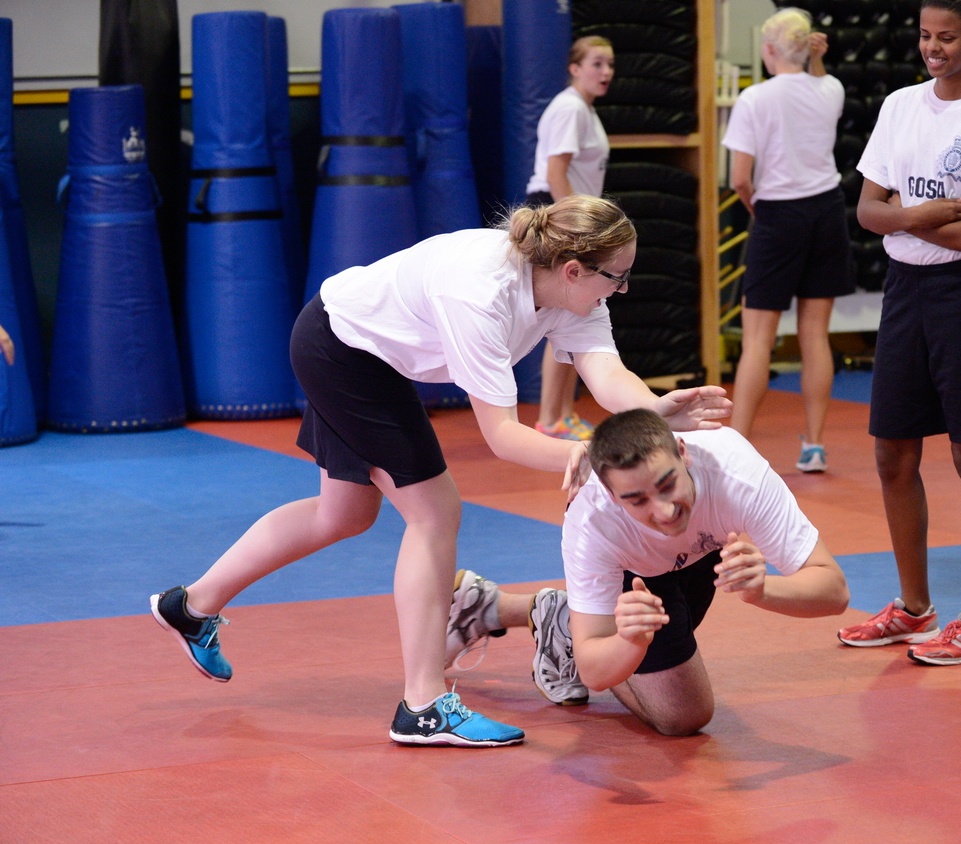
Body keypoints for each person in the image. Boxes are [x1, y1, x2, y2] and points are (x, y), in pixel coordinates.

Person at [148, 195, 732, 747]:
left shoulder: (572, 291)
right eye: (617, 277)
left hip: (358, 346)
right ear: (574, 269)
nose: (622, 289)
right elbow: (502, 435)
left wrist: (653, 407)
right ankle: (422, 705)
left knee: (343, 513)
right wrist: (595, 462)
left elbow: (606, 375)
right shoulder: (481, 295)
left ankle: (191, 605)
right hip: (345, 351)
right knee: (435, 513)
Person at [442, 409, 850, 734]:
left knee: (668, 684)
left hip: (702, 550)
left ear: (683, 451)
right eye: (637, 500)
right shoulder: (592, 521)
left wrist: (764, 591)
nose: (665, 510)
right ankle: (566, 620)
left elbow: (834, 591)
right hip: (634, 574)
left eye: (668, 484)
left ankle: (534, 612)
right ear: (610, 494)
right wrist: (629, 642)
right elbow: (594, 672)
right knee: (683, 717)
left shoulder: (737, 472)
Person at [836, 0, 961, 665]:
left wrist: (900, 215)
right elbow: (866, 210)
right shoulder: (899, 107)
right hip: (905, 291)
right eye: (924, 36)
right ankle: (915, 609)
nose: (933, 48)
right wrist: (921, 212)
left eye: (947, 37)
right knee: (893, 452)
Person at [723, 9, 855, 473]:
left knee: (759, 337)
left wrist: (764, 214)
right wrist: (817, 61)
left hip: (779, 212)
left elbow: (740, 179)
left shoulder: (755, 99)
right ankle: (814, 446)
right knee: (815, 334)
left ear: (771, 49)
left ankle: (737, 446)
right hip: (826, 211)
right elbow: (819, 83)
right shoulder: (831, 89)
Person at [525, 36, 615, 442]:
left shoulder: (585, 110)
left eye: (610, 64)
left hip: (568, 210)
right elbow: (556, 171)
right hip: (556, 208)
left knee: (572, 315)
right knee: (563, 315)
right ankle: (550, 417)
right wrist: (578, 226)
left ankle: (561, 413)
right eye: (597, 63)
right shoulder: (569, 108)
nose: (606, 72)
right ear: (574, 68)